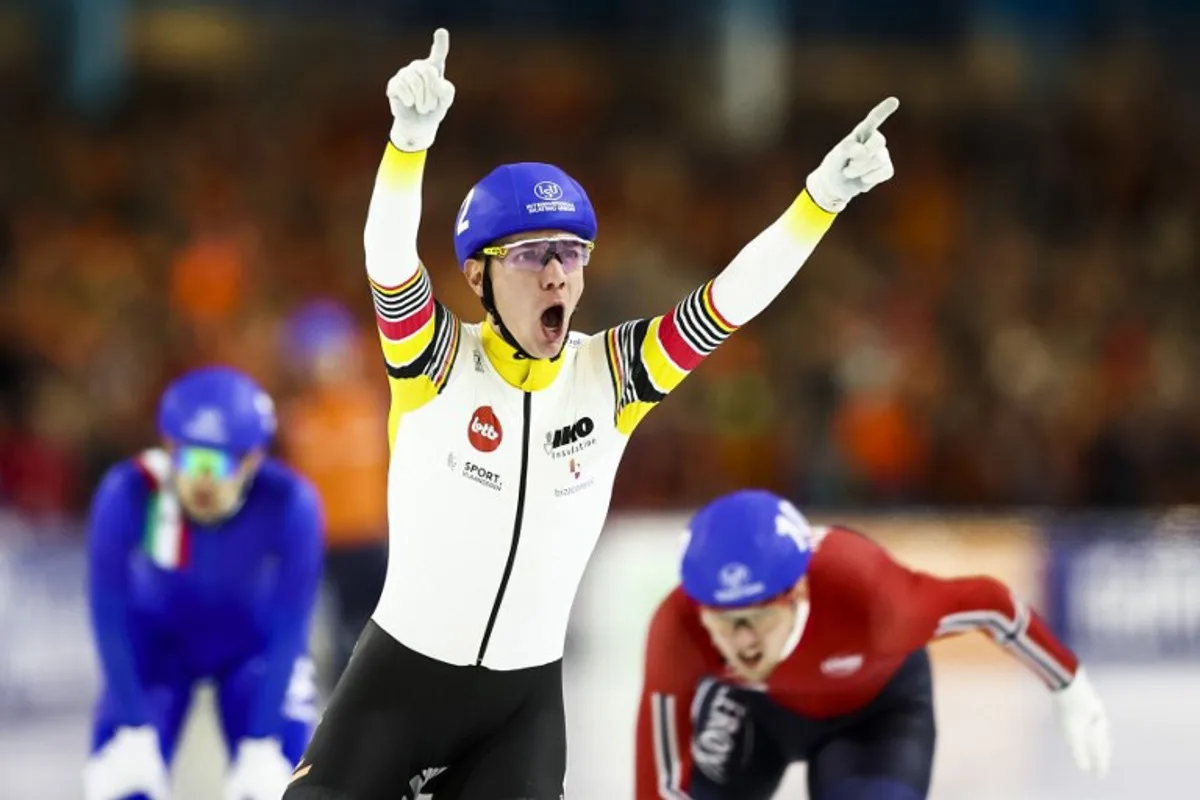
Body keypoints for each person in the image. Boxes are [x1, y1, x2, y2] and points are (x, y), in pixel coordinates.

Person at [284, 27, 898, 800]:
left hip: (522, 706)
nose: (555, 276)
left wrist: (821, 201)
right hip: (399, 687)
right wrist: (407, 146)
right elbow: (386, 258)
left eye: (571, 254)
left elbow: (728, 302)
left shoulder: (609, 377)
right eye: (532, 254)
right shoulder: (436, 363)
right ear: (478, 273)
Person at [635, 489, 1111, 799]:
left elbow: (989, 603)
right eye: (724, 621)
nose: (742, 642)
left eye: (758, 617)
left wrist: (1068, 683)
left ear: (796, 595)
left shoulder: (872, 602)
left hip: (871, 716)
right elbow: (657, 782)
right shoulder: (680, 629)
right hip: (753, 713)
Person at [83, 366, 325, 800]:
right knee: (121, 783)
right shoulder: (127, 492)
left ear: (253, 459)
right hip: (157, 649)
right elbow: (108, 612)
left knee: (283, 785)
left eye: (218, 462)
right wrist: (135, 727)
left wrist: (264, 740)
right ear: (168, 447)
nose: (203, 481)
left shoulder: (292, 504)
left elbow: (292, 625)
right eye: (190, 459)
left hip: (253, 649)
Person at [279, 299, 390, 688]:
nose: (329, 366)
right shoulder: (299, 418)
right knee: (336, 633)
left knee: (379, 624)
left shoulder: (374, 406)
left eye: (334, 353)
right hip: (325, 543)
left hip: (370, 538)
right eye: (319, 356)